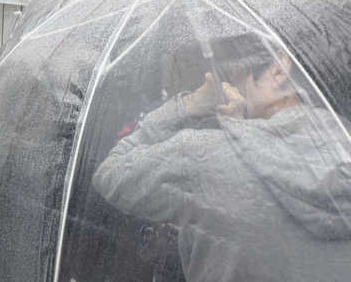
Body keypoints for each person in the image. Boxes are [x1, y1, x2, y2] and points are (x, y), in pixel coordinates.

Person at [92, 41, 351, 282]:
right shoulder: (345, 146)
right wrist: (244, 130)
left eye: (236, 76)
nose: (233, 87)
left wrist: (190, 105)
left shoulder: (201, 154)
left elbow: (111, 174)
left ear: (278, 69)